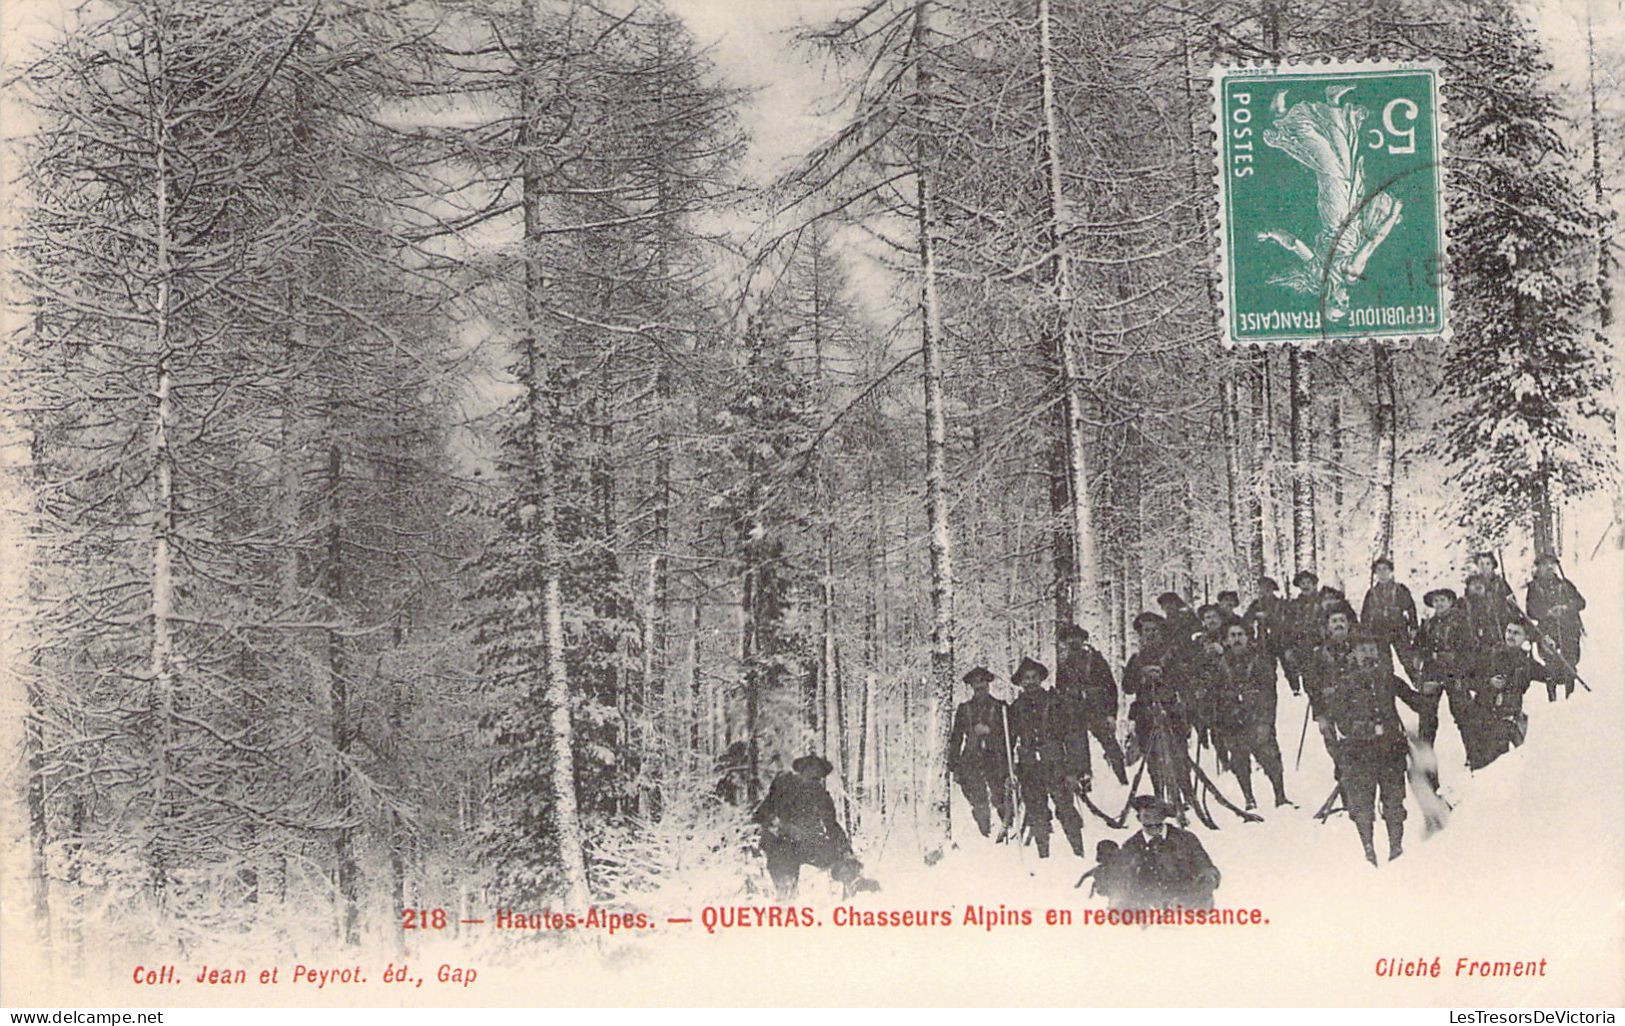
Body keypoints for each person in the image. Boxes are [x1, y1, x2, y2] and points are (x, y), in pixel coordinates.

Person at [1323, 633, 1425, 864]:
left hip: (1390, 750)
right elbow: (1337, 717)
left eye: (1371, 649)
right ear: (1354, 655)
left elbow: (1415, 701)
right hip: (1359, 752)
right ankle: (1368, 849)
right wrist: (1357, 728)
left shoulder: (1388, 678)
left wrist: (1427, 687)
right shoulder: (1344, 683)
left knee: (1394, 802)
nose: (1368, 655)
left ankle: (1396, 848)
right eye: (1362, 650)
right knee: (1362, 803)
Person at [1008, 657, 1087, 859]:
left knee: (1066, 809)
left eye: (1034, 677)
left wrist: (1072, 771)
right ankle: (1044, 857)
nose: (1031, 682)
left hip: (1055, 765)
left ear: (1041, 679)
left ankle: (1079, 853)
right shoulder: (1015, 708)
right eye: (1026, 679)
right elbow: (1008, 740)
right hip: (1029, 767)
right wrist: (1009, 771)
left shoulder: (1056, 703)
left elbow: (1071, 737)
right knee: (1036, 812)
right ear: (1021, 682)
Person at [753, 755, 855, 899]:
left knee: (847, 865)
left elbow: (831, 825)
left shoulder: (821, 796)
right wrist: (776, 825)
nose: (813, 778)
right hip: (781, 846)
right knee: (786, 891)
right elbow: (761, 815)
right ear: (801, 772)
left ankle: (850, 899)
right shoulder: (783, 789)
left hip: (808, 845)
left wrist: (845, 849)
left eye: (817, 775)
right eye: (810, 772)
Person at [1214, 620, 1290, 809]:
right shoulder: (1220, 665)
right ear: (1226, 640)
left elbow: (1269, 692)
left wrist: (1266, 720)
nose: (1237, 639)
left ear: (1248, 638)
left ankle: (1280, 796)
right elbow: (1214, 692)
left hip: (1257, 717)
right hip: (1232, 719)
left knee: (1270, 756)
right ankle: (1248, 798)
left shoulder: (1260, 660)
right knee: (1239, 759)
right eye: (1232, 635)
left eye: (1240, 634)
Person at [1110, 796, 1221, 910]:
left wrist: (1208, 879)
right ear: (1139, 818)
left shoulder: (1186, 839)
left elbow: (1206, 866)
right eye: (1147, 816)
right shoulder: (1130, 846)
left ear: (1164, 817)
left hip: (1188, 904)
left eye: (1157, 816)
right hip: (1148, 908)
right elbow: (1121, 881)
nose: (1152, 822)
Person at [1469, 621, 1548, 770]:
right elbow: (1467, 679)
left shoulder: (1526, 663)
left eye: (1516, 633)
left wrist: (1550, 652)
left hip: (1507, 720)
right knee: (1481, 768)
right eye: (1509, 631)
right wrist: (1489, 683)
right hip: (1482, 716)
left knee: (1502, 768)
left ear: (1525, 638)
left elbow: (1556, 676)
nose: (1510, 636)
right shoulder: (1489, 655)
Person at [1056, 625, 1128, 785]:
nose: (1073, 641)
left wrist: (1111, 714)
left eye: (1076, 637)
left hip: (1098, 711)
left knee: (1111, 746)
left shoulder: (1096, 659)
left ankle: (1123, 779)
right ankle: (1085, 782)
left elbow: (1111, 687)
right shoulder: (1063, 664)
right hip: (1074, 712)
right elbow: (1060, 691)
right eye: (1069, 639)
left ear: (1082, 640)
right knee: (1078, 749)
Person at [947, 667, 1013, 839]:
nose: (980, 686)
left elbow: (1010, 737)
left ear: (988, 683)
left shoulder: (1001, 707)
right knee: (978, 801)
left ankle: (1007, 830)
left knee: (1000, 797)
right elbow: (956, 738)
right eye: (976, 683)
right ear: (971, 686)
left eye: (982, 681)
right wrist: (953, 766)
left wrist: (992, 733)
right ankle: (984, 834)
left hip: (996, 759)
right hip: (971, 760)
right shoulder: (964, 709)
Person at [1415, 588, 1473, 754]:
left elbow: (1469, 648)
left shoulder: (1461, 621)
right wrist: (1425, 657)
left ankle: (1473, 754)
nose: (1439, 604)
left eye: (1443, 600)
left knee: (1463, 714)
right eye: (1436, 601)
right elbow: (1418, 646)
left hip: (1455, 672)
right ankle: (1425, 757)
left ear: (1450, 602)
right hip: (1432, 672)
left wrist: (1461, 668)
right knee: (1427, 716)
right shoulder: (1428, 624)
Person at [1525, 553, 1586, 701]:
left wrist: (1565, 607)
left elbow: (1581, 603)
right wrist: (1547, 612)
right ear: (1538, 568)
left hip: (1569, 630)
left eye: (1552, 564)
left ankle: (1570, 697)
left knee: (1570, 663)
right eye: (1545, 565)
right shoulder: (1534, 588)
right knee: (1551, 666)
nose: (1549, 567)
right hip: (1546, 632)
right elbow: (1531, 611)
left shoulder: (1565, 585)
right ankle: (1552, 698)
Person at [1361, 556, 1419, 675]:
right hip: (1379, 632)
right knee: (1384, 665)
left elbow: (1411, 608)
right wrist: (1365, 633)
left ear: (1390, 571)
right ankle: (1388, 691)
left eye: (1385, 569)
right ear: (1375, 573)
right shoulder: (1371, 593)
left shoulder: (1400, 589)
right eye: (1379, 570)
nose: (1382, 573)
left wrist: (1413, 627)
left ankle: (1421, 688)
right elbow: (1365, 615)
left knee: (1408, 661)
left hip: (1398, 629)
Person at [1281, 570, 1323, 695]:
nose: (1305, 586)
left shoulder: (1322, 603)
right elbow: (1286, 628)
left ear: (1314, 584)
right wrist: (1288, 648)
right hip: (1303, 651)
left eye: (1308, 582)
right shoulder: (1293, 606)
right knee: (1310, 686)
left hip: (1322, 649)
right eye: (1302, 583)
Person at [1243, 576, 1287, 675]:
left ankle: (1295, 688)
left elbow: (1286, 620)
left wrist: (1269, 616)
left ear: (1272, 590)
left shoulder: (1280, 603)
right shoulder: (1256, 604)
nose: (1265, 591)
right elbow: (1247, 621)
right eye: (1262, 588)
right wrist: (1251, 638)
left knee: (1288, 667)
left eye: (1268, 588)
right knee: (1268, 668)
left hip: (1280, 638)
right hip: (1264, 640)